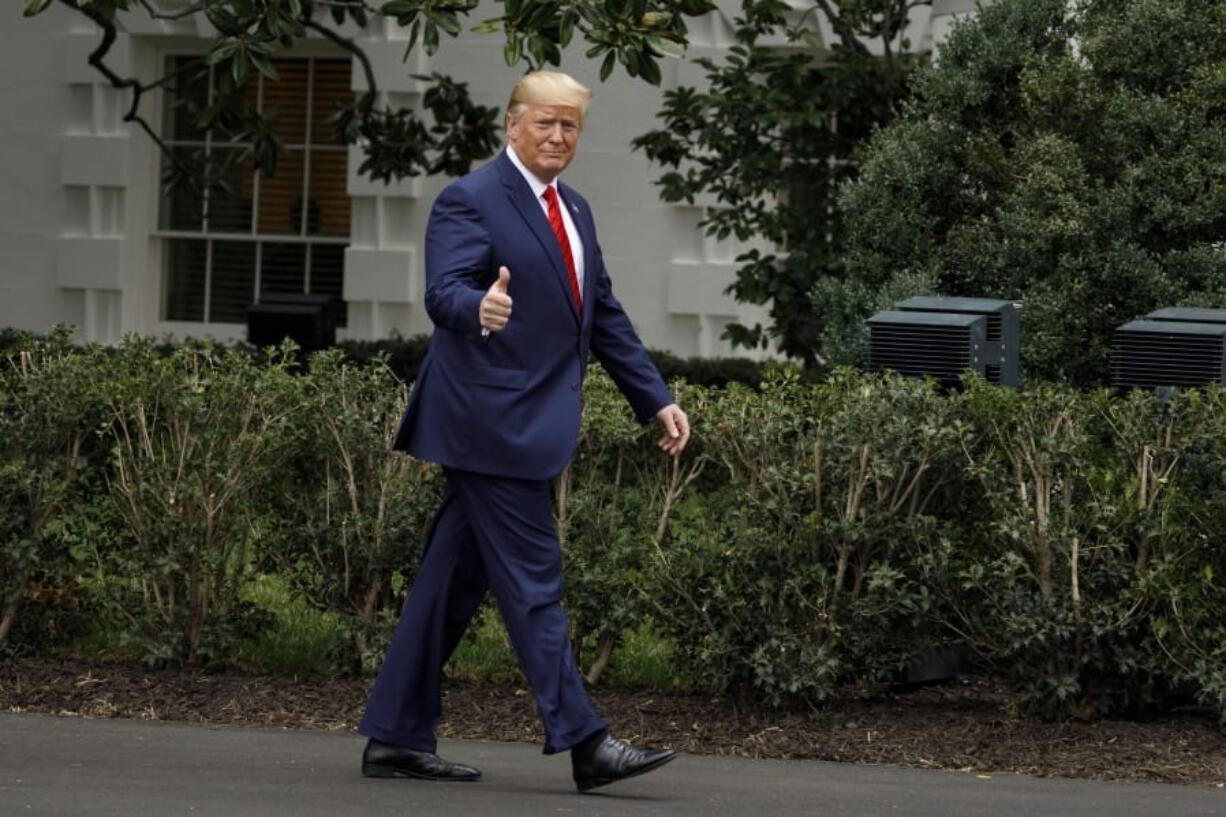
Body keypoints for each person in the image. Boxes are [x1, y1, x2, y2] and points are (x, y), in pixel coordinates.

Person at [357, 70, 691, 793]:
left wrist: (652, 398)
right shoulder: (470, 199)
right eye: (545, 123)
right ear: (512, 125)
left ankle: (394, 736)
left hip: (525, 424)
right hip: (487, 424)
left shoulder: (573, 208)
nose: (558, 137)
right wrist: (480, 306)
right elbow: (442, 289)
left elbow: (600, 312)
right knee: (535, 584)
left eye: (570, 126)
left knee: (449, 581)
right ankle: (586, 741)